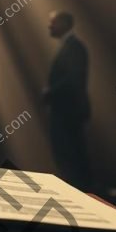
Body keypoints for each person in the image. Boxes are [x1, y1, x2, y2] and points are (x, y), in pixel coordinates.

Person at [43, 11, 91, 189]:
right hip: (66, 112)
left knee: (71, 159)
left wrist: (50, 92)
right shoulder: (70, 46)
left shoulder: (75, 47)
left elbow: (73, 79)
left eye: (53, 22)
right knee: (68, 158)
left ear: (64, 24)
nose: (49, 26)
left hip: (69, 113)